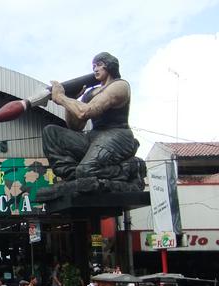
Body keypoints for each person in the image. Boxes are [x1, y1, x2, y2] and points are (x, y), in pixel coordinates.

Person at [39, 52, 145, 201]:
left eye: (100, 64)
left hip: (117, 135)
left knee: (87, 170)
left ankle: (128, 169)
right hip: (94, 136)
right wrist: (71, 100)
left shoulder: (119, 86)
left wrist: (62, 98)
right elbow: (76, 125)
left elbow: (85, 112)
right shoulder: (90, 93)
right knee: (52, 132)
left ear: (109, 65)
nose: (95, 69)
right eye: (93, 66)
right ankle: (75, 176)